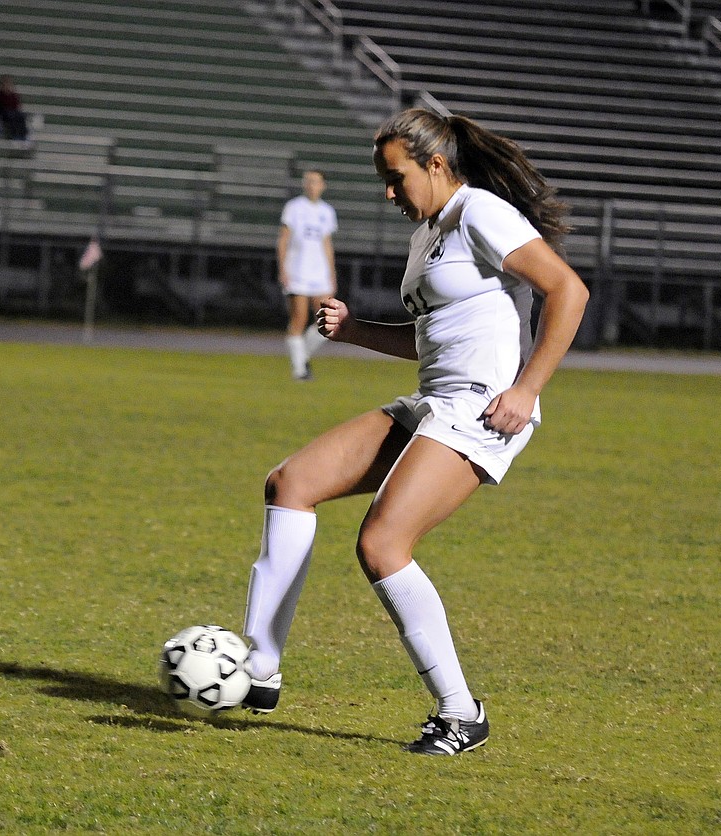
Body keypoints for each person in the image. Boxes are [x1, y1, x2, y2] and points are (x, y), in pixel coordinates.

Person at [239, 108, 589, 755]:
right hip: (435, 402)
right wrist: (353, 332)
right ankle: (257, 667)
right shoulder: (429, 231)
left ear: (435, 165)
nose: (388, 192)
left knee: (382, 543)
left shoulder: (480, 213)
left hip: (485, 410)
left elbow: (568, 291)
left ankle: (462, 713)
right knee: (290, 482)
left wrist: (528, 389)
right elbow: (431, 339)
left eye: (396, 178)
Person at [277, 169, 338, 380]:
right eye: (309, 181)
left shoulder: (327, 211)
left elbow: (327, 244)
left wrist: (331, 273)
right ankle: (300, 370)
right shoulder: (294, 207)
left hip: (319, 272)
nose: (312, 185)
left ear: (323, 185)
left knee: (327, 321)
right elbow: (284, 239)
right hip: (298, 270)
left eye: (316, 182)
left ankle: (300, 359)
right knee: (299, 320)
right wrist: (283, 268)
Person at [0, 75, 28, 141]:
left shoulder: (13, 96)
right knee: (11, 116)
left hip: (12, 112)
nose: (7, 86)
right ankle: (15, 137)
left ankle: (24, 137)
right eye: (5, 84)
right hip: (2, 114)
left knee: (21, 116)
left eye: (9, 84)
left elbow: (17, 106)